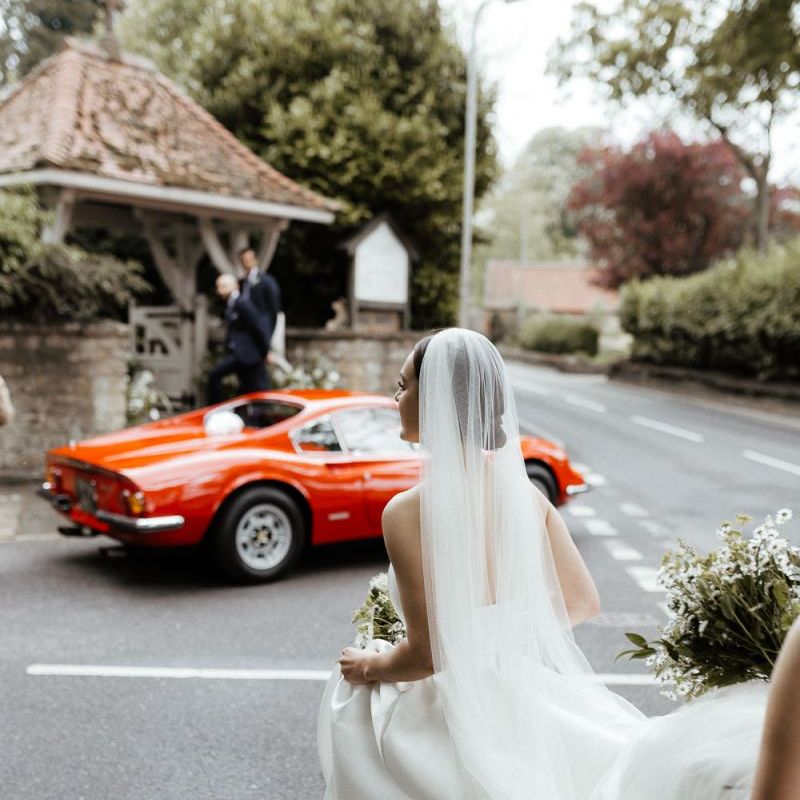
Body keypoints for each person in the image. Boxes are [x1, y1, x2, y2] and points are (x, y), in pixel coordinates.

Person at [318, 327, 794, 800]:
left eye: (404, 385)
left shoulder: (405, 513)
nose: (395, 395)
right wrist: (503, 637)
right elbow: (582, 600)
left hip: (454, 708)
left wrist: (371, 665)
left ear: (436, 397)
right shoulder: (528, 497)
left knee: (357, 713)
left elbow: (426, 657)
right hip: (523, 688)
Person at [206, 274, 270, 405]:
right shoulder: (232, 304)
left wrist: (264, 352)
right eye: (218, 287)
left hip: (247, 355)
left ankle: (218, 409)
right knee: (248, 390)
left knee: (215, 375)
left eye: (223, 286)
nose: (219, 291)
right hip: (242, 356)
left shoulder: (241, 303)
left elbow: (257, 327)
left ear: (234, 286)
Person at [238, 247, 282, 389]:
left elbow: (273, 309)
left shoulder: (267, 281)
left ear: (255, 260)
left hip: (261, 333)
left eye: (249, 259)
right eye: (244, 260)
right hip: (246, 336)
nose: (247, 263)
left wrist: (266, 334)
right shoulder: (242, 283)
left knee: (259, 376)